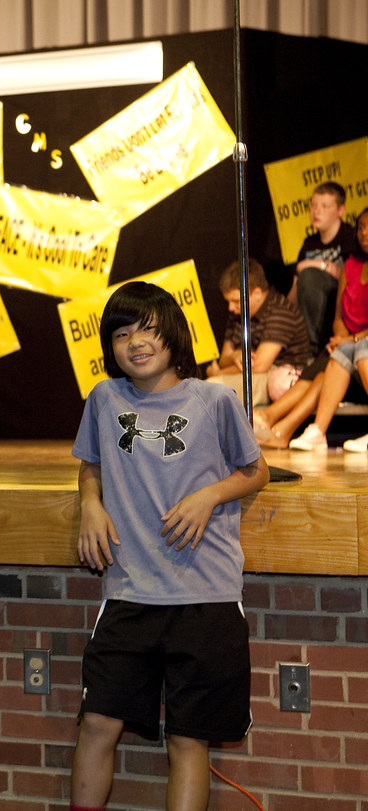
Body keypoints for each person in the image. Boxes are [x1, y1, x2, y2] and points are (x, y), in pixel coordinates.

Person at [71, 281, 268, 811]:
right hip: (129, 591)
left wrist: (209, 496)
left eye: (147, 329)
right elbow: (91, 466)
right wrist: (89, 503)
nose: (135, 342)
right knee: (97, 724)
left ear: (173, 334)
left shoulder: (215, 399)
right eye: (121, 334)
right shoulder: (104, 399)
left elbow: (257, 471)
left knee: (187, 739)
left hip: (205, 595)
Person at [289, 206, 368, 453]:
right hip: (350, 341)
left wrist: (353, 339)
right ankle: (318, 431)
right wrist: (342, 336)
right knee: (341, 353)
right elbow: (338, 315)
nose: (364, 233)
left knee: (360, 348)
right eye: (361, 227)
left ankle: (278, 424)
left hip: (362, 342)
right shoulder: (351, 264)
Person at [205, 258, 308, 406]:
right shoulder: (237, 314)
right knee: (209, 389)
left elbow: (260, 365)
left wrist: (218, 373)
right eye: (229, 302)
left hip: (278, 374)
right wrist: (234, 356)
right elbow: (224, 359)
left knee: (213, 391)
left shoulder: (280, 312)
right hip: (249, 373)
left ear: (257, 293)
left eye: (236, 301)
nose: (230, 307)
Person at [290, 182, 359, 358]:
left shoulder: (350, 236)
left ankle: (313, 351)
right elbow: (296, 288)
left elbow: (350, 277)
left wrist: (317, 265)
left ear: (340, 210)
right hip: (312, 314)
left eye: (325, 206)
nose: (316, 211)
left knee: (310, 276)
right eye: (313, 205)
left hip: (341, 308)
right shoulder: (309, 243)